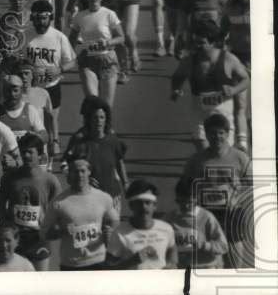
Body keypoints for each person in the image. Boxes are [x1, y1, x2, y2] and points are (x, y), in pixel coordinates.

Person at [182, 114, 252, 268]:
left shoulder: (240, 158)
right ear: (206, 134)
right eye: (213, 133)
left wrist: (239, 198)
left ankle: (235, 279)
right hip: (207, 213)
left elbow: (251, 184)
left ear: (227, 134)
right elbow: (185, 187)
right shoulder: (196, 160)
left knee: (234, 258)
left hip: (232, 212)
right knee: (211, 257)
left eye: (221, 133)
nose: (217, 137)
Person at [170, 18, 250, 151]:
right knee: (203, 149)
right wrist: (176, 89)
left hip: (223, 114)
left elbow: (245, 79)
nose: (197, 46)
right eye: (195, 42)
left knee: (221, 152)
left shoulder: (229, 59)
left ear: (213, 42)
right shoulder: (189, 61)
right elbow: (177, 76)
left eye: (201, 43)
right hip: (200, 114)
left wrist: (234, 90)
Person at [43, 156, 120, 271]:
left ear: (89, 172)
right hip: (71, 264)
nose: (79, 175)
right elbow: (44, 232)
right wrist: (59, 232)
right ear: (70, 174)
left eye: (82, 171)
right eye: (75, 171)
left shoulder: (103, 197)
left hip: (99, 261)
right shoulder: (59, 202)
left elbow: (115, 220)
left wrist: (110, 232)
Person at [0, 134, 60, 270]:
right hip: (15, 239)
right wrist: (7, 229)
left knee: (40, 280)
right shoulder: (9, 178)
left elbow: (59, 209)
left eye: (30, 152)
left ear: (40, 155)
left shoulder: (50, 180)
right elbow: (1, 205)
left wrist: (50, 228)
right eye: (23, 152)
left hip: (39, 239)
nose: (26, 156)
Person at [21, 0, 75, 157]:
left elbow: (72, 61)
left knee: (52, 118)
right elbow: (17, 58)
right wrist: (26, 67)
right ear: (32, 18)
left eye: (44, 18)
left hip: (52, 85)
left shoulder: (59, 37)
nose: (41, 22)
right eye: (37, 18)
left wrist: (59, 69)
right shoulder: (25, 36)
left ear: (50, 18)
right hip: (32, 87)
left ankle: (54, 142)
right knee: (34, 121)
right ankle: (36, 152)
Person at [63, 95, 129, 210]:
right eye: (95, 118)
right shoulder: (80, 141)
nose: (99, 121)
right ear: (89, 120)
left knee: (112, 222)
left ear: (106, 119)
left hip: (112, 197)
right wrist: (82, 179)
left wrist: (126, 184)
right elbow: (66, 165)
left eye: (102, 117)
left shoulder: (112, 140)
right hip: (89, 198)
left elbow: (119, 162)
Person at [68, 0, 126, 106]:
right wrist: (69, 57)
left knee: (106, 106)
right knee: (93, 103)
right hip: (87, 61)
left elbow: (121, 37)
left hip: (107, 60)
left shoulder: (109, 14)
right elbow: (72, 38)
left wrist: (108, 43)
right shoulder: (80, 16)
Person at [105, 180, 178, 269]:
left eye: (148, 202)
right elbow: (108, 269)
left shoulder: (166, 228)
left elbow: (172, 248)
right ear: (131, 206)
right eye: (139, 203)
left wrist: (172, 264)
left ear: (154, 206)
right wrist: (132, 261)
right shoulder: (119, 233)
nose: (143, 207)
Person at [166, 177, 228, 269]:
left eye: (189, 202)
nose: (186, 206)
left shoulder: (206, 217)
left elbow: (223, 246)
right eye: (181, 202)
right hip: (181, 268)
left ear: (196, 199)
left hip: (205, 267)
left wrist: (204, 245)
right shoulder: (170, 218)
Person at [220, 0, 250, 65]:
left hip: (256, 53)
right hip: (236, 52)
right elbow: (223, 27)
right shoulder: (229, 5)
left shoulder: (263, 5)